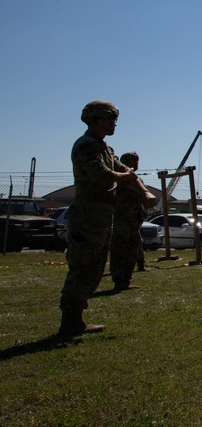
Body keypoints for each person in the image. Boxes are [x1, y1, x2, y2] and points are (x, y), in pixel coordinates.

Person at [58, 101, 156, 337]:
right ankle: (69, 321)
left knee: (95, 269)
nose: (114, 123)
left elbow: (128, 174)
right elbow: (101, 175)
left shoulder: (105, 148)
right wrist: (124, 177)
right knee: (83, 268)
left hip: (101, 217)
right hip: (87, 216)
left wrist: (144, 192)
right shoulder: (86, 145)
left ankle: (77, 319)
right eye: (110, 118)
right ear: (95, 118)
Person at [109, 151, 151, 292]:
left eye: (137, 160)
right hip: (123, 219)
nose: (136, 163)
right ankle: (119, 280)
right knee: (121, 249)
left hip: (133, 219)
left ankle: (125, 280)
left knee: (132, 248)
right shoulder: (124, 177)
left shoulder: (134, 178)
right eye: (133, 160)